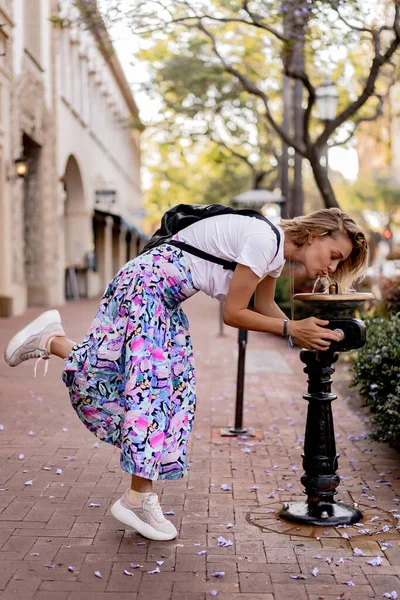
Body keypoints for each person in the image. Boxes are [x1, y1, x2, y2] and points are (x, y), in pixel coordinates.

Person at [4, 207, 368, 541]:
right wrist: (292, 331)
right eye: (334, 256)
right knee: (151, 390)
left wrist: (299, 330)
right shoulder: (264, 240)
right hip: (147, 286)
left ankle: (51, 340)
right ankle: (138, 497)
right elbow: (235, 314)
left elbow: (265, 306)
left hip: (162, 295)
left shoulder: (272, 253)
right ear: (316, 234)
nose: (331, 268)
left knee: (173, 390)